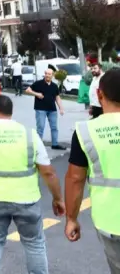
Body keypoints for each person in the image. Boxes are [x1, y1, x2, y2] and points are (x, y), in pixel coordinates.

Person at [0, 95, 65, 274]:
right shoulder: (29, 134)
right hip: (26, 200)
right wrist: (57, 198)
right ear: (11, 113)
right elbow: (48, 172)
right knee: (34, 243)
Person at [64, 68, 120, 273]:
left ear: (99, 94)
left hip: (112, 222)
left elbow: (75, 179)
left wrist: (71, 218)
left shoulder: (86, 132)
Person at [25, 67, 66, 150]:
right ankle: (38, 145)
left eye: (49, 74)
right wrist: (37, 94)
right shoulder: (38, 83)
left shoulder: (54, 86)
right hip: (40, 109)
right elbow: (27, 90)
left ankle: (55, 144)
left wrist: (61, 108)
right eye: (46, 73)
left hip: (52, 109)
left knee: (54, 128)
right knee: (40, 127)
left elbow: (57, 97)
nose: (47, 75)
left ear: (52, 75)